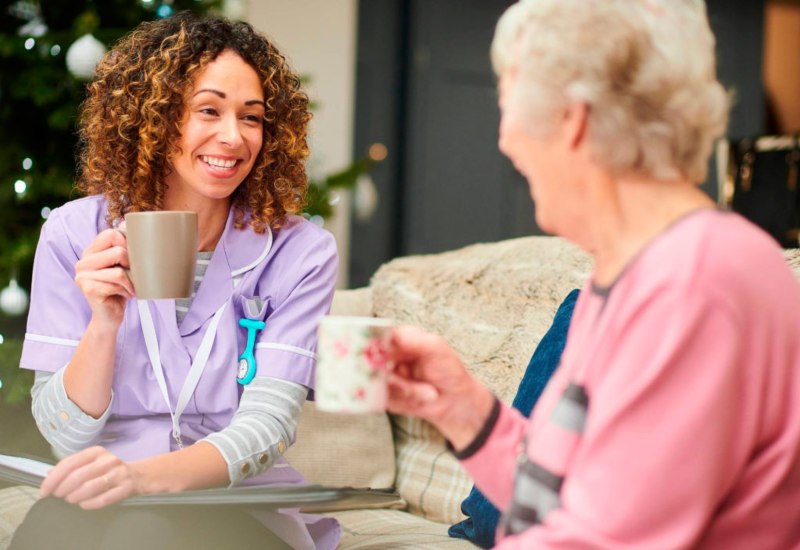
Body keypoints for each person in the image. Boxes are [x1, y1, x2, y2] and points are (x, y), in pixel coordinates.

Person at [387, 0, 800, 548]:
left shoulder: (696, 283)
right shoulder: (622, 276)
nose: (505, 139)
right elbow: (561, 503)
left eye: (508, 106)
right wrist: (464, 408)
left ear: (572, 120)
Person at [11, 11, 339, 550]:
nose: (233, 137)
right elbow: (63, 433)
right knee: (49, 533)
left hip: (234, 503)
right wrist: (102, 323)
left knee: (147, 531)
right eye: (208, 110)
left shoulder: (300, 251)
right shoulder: (75, 232)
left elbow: (268, 428)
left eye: (252, 118)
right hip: (103, 493)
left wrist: (141, 480)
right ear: (155, 118)